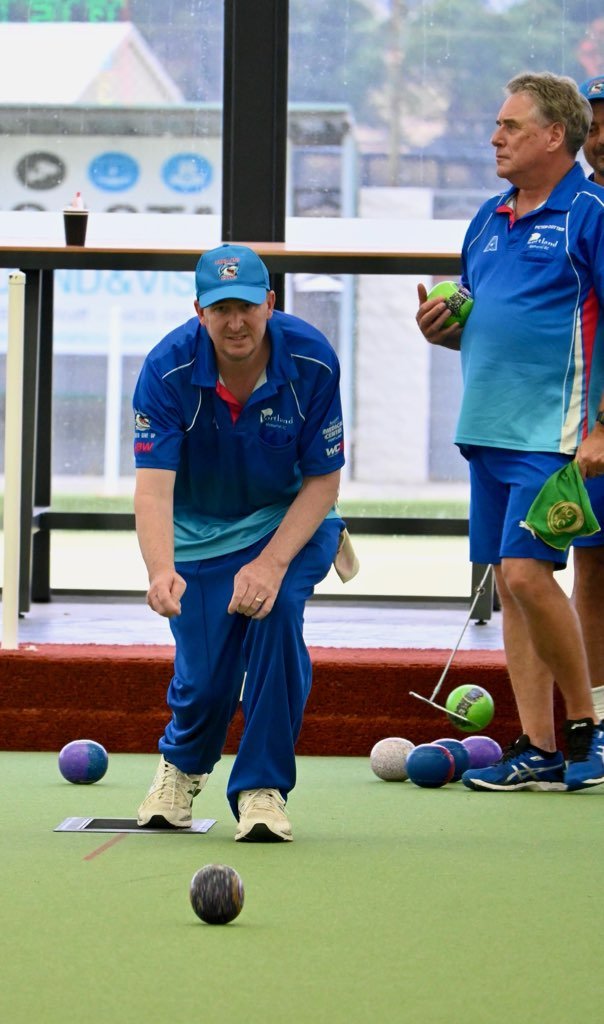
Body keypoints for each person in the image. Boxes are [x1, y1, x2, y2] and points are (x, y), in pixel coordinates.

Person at [415, 71, 604, 792]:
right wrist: (443, 327)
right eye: (497, 125)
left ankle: (586, 730)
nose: (494, 137)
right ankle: (537, 747)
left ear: (555, 136)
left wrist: (603, 427)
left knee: (529, 573)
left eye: (510, 126)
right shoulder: (487, 218)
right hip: (486, 430)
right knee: (511, 583)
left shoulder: (591, 214)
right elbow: (481, 317)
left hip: (552, 435)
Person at [133, 243, 346, 841]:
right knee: (205, 680)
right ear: (199, 311)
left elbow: (324, 480)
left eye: (247, 307)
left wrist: (272, 565)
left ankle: (262, 789)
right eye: (221, 308)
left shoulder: (313, 360)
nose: (235, 323)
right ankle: (182, 767)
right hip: (199, 535)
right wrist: (160, 569)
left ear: (270, 304)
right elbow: (152, 490)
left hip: (288, 523)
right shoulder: (166, 369)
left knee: (275, 617)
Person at [573, 75, 604, 723]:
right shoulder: (573, 210)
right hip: (583, 424)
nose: (601, 140)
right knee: (593, 569)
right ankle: (597, 722)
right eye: (593, 127)